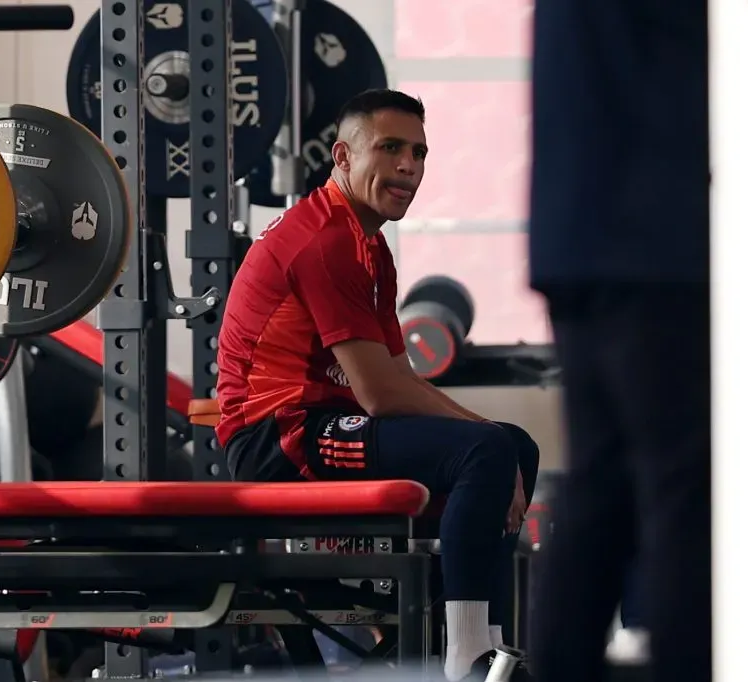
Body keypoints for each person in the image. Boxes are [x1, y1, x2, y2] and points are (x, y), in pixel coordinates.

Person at [216, 88, 539, 682]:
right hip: (277, 438)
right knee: (489, 448)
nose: (408, 167)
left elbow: (397, 376)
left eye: (418, 153)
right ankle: (465, 657)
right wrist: (482, 435)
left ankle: (461, 642)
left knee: (514, 445)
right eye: (390, 149)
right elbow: (380, 395)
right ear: (342, 156)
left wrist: (489, 439)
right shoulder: (325, 239)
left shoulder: (370, 248)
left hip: (324, 423)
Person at [527, 1, 711, 682]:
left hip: (580, 234)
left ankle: (561, 665)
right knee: (682, 484)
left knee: (607, 482)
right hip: (652, 240)